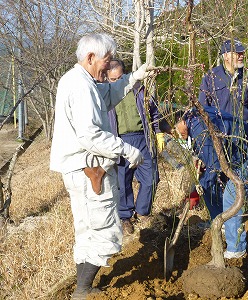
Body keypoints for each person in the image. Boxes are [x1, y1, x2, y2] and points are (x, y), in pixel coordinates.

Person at [50, 33, 149, 299]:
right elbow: (90, 135)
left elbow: (108, 95)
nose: (108, 65)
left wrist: (134, 77)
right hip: (89, 170)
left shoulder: (81, 80)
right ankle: (83, 291)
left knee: (87, 231)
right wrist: (126, 149)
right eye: (106, 60)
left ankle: (83, 288)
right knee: (104, 231)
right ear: (90, 57)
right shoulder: (80, 87)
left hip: (80, 170)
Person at [174, 106, 248, 259]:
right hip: (231, 154)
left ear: (181, 121)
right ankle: (220, 224)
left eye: (174, 131)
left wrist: (200, 182)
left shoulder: (199, 126)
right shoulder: (192, 119)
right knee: (207, 186)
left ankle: (237, 250)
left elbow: (215, 165)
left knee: (231, 194)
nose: (175, 136)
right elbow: (210, 157)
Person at [106, 59, 164, 234]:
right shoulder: (105, 94)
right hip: (119, 141)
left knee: (152, 178)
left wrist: (159, 132)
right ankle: (125, 217)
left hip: (142, 138)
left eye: (120, 77)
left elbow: (153, 112)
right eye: (113, 79)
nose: (117, 82)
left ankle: (143, 211)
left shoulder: (138, 89)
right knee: (122, 181)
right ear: (107, 78)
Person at [198, 38, 248, 130]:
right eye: (237, 53)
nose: (241, 56)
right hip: (218, 130)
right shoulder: (211, 76)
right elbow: (202, 107)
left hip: (242, 131)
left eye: (242, 53)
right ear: (225, 56)